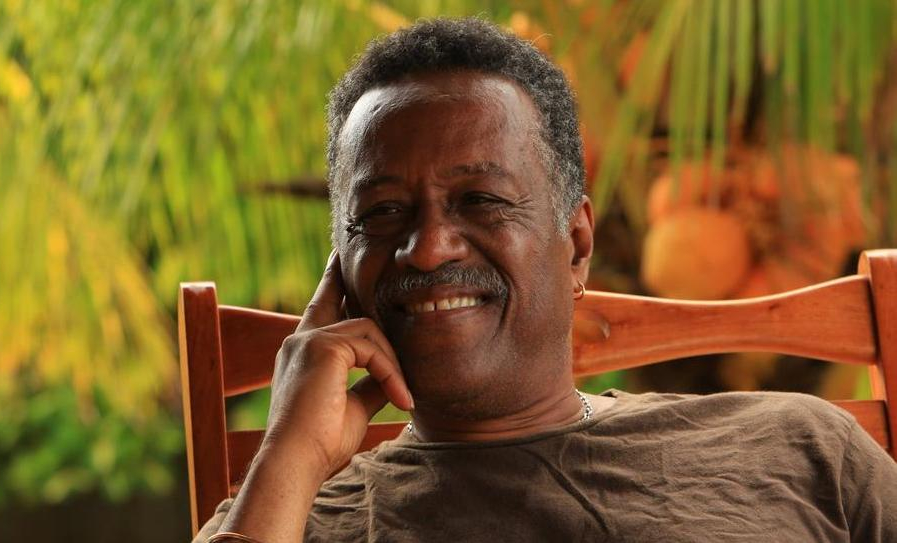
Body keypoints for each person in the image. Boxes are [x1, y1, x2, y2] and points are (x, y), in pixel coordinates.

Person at [196, 17, 897, 543]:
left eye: (481, 199)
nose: (429, 248)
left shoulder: (797, 447)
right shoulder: (287, 517)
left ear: (577, 244)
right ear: (340, 275)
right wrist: (288, 450)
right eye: (381, 212)